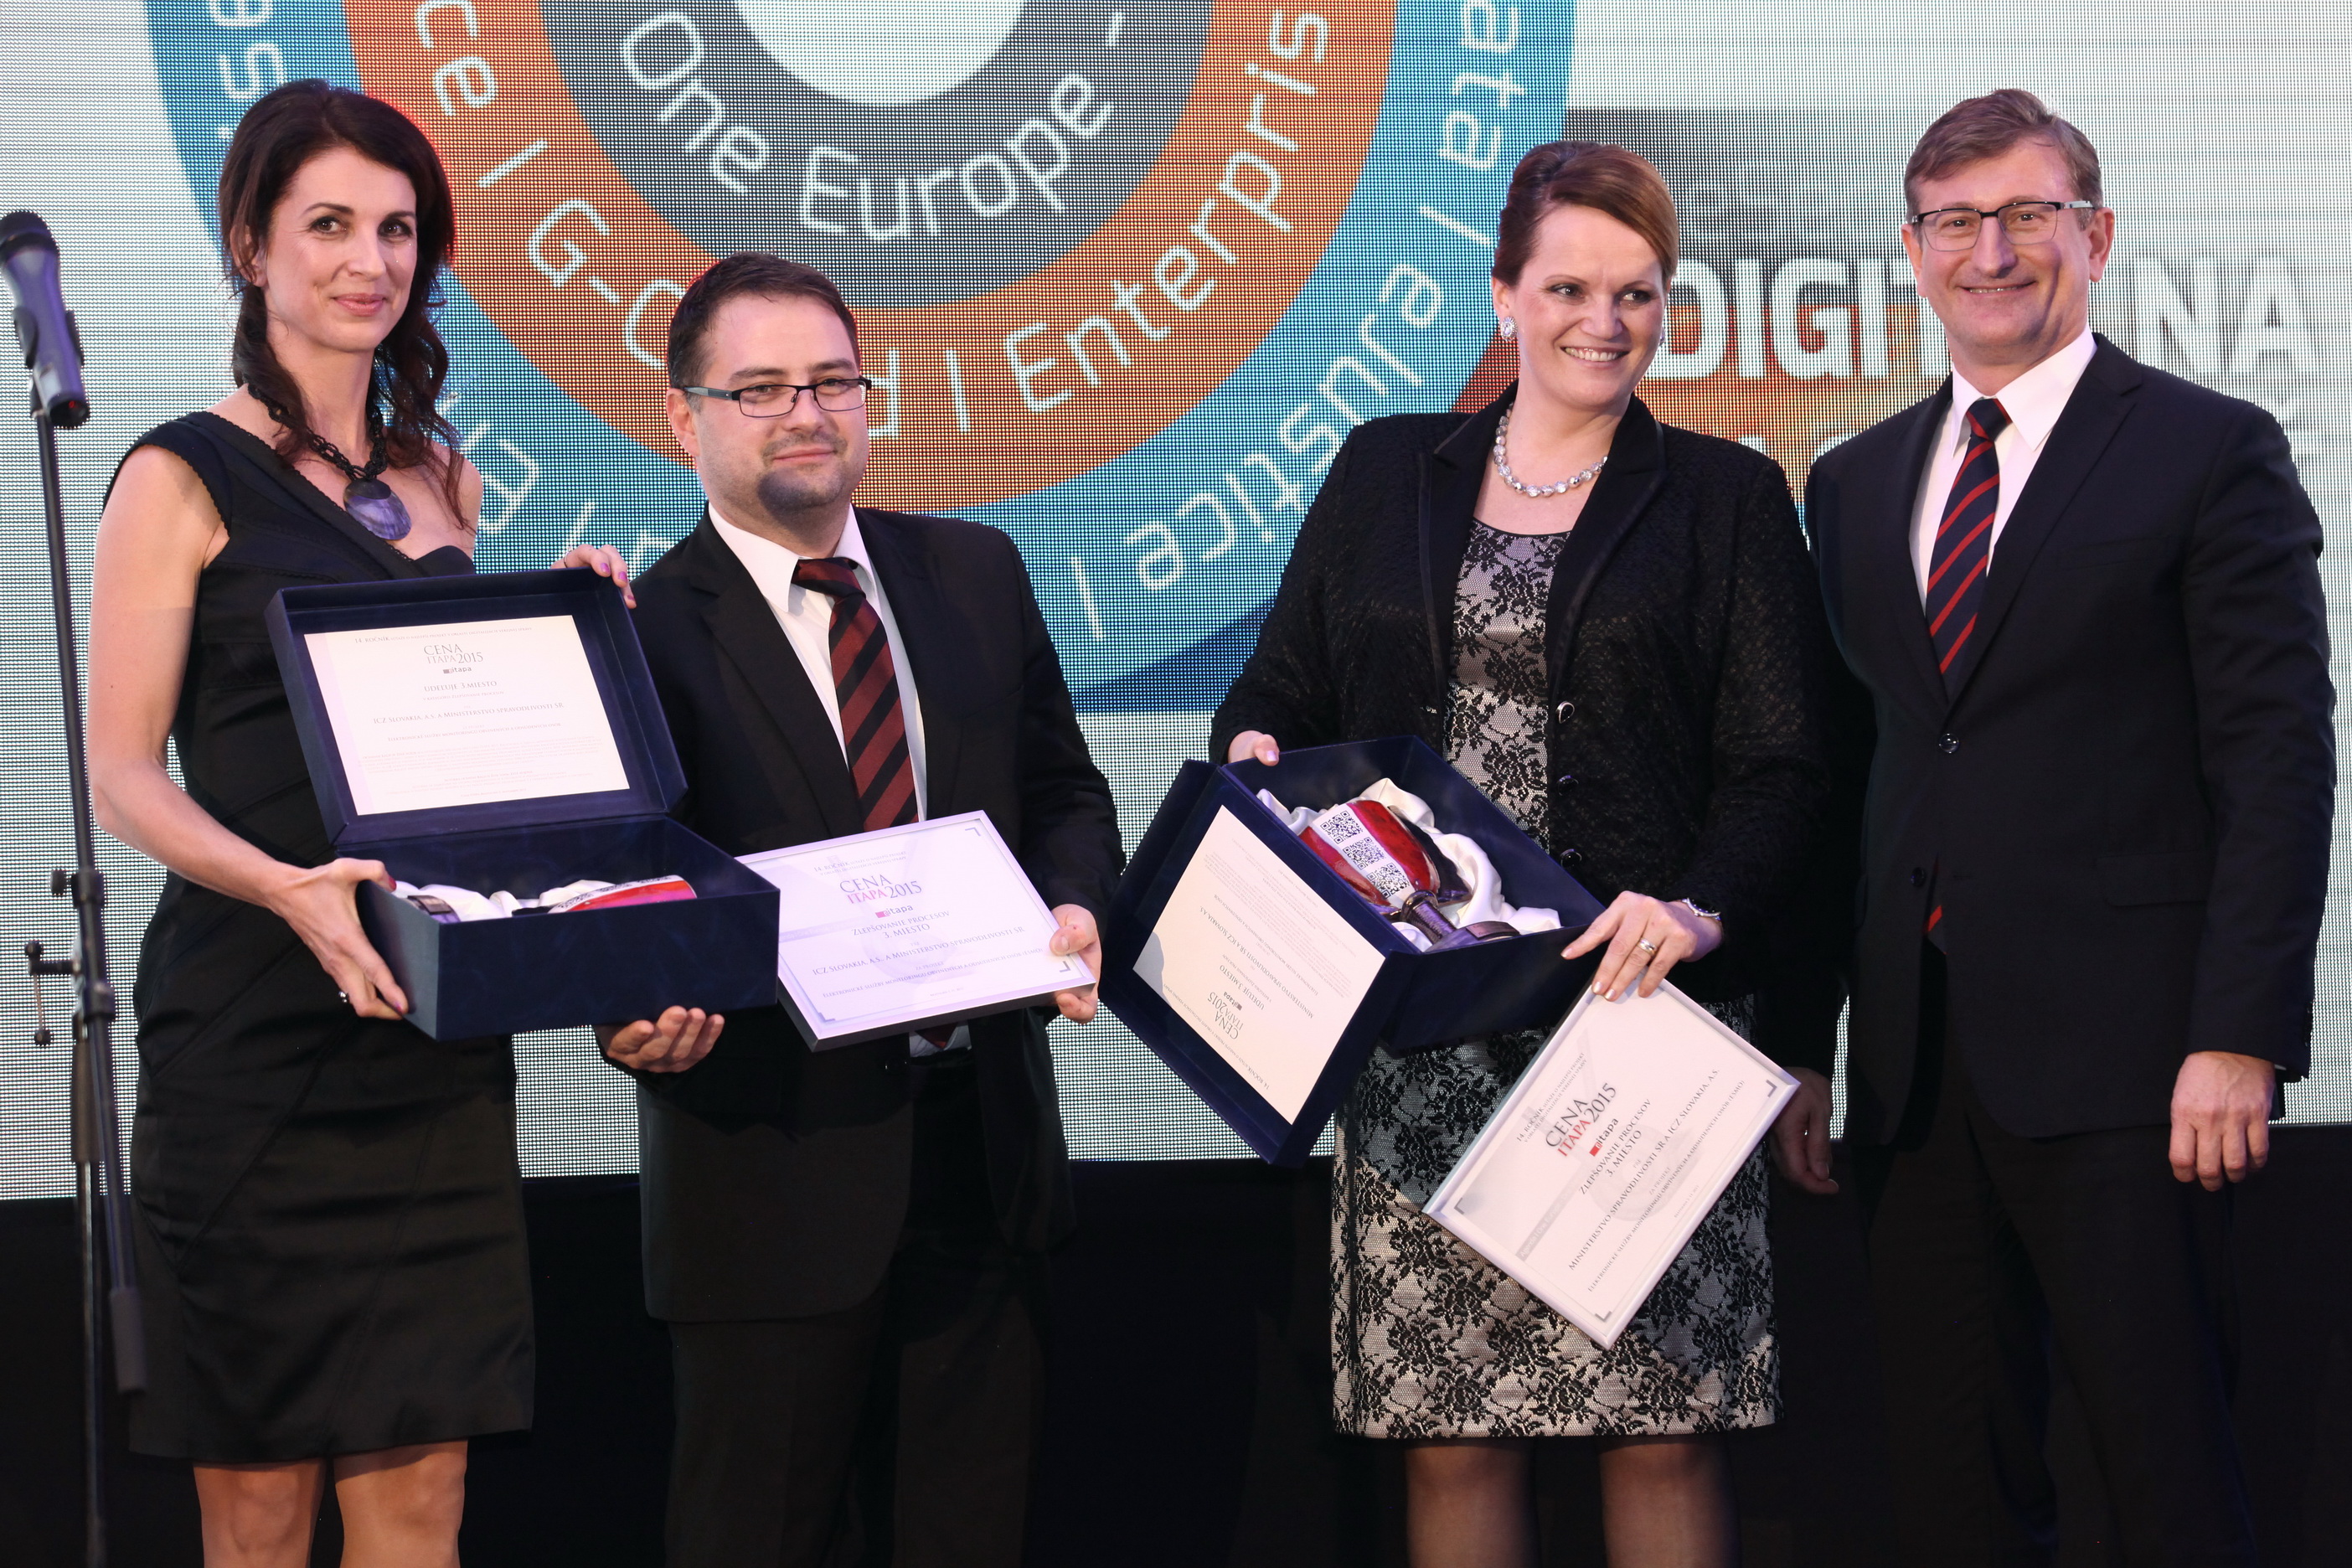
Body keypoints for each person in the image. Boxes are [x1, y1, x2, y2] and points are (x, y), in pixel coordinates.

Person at [1211, 142, 1839, 1568]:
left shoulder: (1729, 496)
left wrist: (1702, 907)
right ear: (1505, 295)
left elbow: (1785, 768)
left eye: (1638, 293)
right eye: (1568, 288)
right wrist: (1255, 750)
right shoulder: (1384, 470)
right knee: (1453, 1438)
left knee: (1662, 1430)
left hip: (1643, 1023)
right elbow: (1280, 685)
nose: (1603, 322)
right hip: (1425, 1032)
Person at [85, 80, 637, 1567]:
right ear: (250, 246)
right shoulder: (177, 473)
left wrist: (578, 631)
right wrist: (289, 889)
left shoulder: (444, 473)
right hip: (251, 1038)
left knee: (421, 1500)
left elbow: (465, 761)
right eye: (329, 224)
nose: (370, 261)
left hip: (424, 1032)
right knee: (258, 1509)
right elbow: (123, 773)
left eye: (398, 230)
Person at [1805, 89, 2332, 1564]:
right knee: (1953, 1495)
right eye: (1957, 221)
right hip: (1914, 1076)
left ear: (2094, 236)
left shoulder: (2210, 449)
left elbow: (2276, 762)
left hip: (2136, 1073)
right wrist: (1799, 1045)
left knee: (2169, 1483)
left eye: (2029, 214)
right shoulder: (1850, 483)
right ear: (1913, 250)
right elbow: (1846, 784)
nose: (1993, 251)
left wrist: (2240, 1035)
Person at [598, 252, 1124, 1568]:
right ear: (683, 417)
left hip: (984, 1151)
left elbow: (1064, 791)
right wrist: (630, 1010)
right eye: (761, 388)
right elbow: (616, 885)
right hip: (767, 1176)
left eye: (833, 381)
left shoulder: (975, 572)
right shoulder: (638, 630)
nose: (807, 413)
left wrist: (1074, 903)